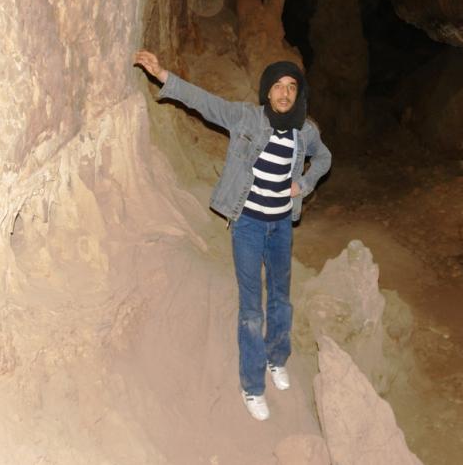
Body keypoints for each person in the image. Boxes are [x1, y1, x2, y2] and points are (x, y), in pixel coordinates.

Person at [134, 50, 332, 421]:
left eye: (291, 87)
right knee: (251, 308)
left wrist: (303, 183)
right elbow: (205, 104)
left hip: (281, 227)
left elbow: (324, 159)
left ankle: (277, 359)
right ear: (266, 91)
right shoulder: (246, 118)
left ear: (298, 93)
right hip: (248, 225)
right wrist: (163, 76)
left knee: (280, 298)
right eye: (278, 86)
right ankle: (252, 386)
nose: (285, 94)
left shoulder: (306, 131)